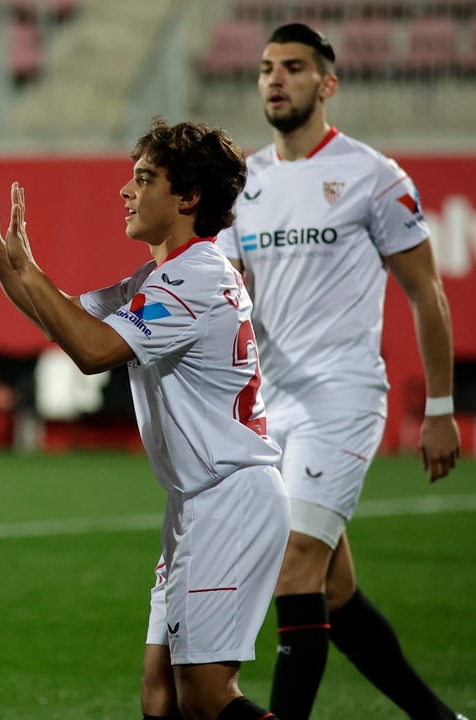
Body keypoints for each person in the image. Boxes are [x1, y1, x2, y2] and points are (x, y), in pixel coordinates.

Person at [0, 118, 287, 720]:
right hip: (197, 502)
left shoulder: (194, 278)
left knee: (206, 696)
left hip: (228, 501)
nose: (126, 190)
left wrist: (27, 266)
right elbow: (62, 318)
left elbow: (93, 351)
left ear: (188, 197)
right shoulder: (164, 275)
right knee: (160, 694)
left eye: (144, 179)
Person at [216, 23, 464, 720]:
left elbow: (427, 294)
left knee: (294, 560)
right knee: (332, 591)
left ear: (327, 84)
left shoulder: (374, 177)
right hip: (272, 404)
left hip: (342, 397)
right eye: (266, 67)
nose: (275, 78)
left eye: (293, 67)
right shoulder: (244, 185)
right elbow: (229, 295)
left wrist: (440, 409)